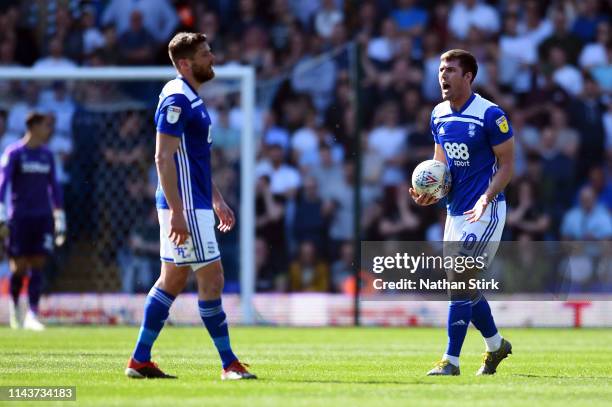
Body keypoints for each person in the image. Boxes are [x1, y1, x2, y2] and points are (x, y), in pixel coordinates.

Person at [125, 33, 256, 380]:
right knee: (212, 278)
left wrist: (216, 199)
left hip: (195, 201)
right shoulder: (177, 98)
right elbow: (162, 157)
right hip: (184, 203)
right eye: (205, 53)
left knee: (172, 279)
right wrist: (179, 212)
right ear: (185, 63)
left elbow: (192, 159)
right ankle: (229, 363)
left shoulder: (191, 98)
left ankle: (139, 359)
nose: (212, 57)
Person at [410, 49, 514, 376]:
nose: (443, 75)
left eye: (451, 70)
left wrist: (486, 197)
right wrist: (430, 193)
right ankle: (496, 346)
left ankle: (450, 361)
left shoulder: (490, 114)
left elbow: (508, 164)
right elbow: (440, 164)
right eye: (441, 69)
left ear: (468, 76)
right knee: (464, 285)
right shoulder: (438, 114)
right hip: (454, 213)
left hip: (485, 210)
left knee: (459, 278)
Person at [0, 112, 65, 330]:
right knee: (18, 267)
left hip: (42, 216)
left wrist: (59, 216)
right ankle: (15, 308)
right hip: (19, 217)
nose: (49, 130)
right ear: (33, 126)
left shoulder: (47, 155)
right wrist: (1, 213)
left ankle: (33, 313)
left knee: (38, 263)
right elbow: (3, 183)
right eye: (46, 125)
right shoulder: (14, 153)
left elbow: (54, 187)